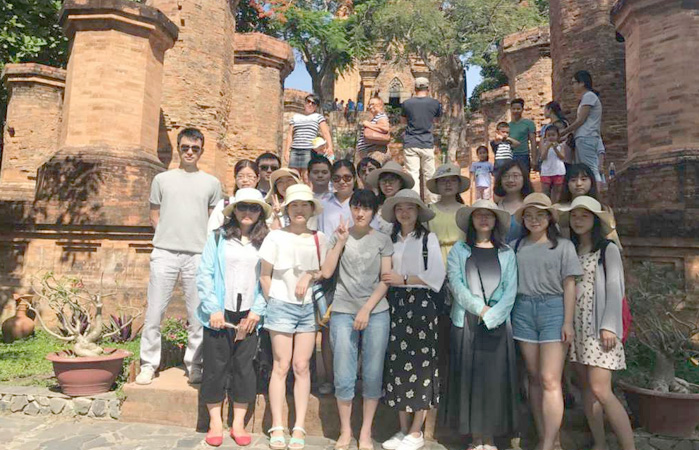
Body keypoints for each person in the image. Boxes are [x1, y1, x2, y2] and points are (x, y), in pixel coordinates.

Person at [137, 127, 223, 385]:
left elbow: (213, 220)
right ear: (178, 148)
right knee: (154, 312)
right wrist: (166, 236)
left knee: (197, 315)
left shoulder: (212, 183)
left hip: (197, 254)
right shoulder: (162, 179)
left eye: (195, 148)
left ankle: (194, 365)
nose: (189, 152)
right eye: (185, 147)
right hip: (165, 252)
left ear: (202, 151)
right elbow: (154, 214)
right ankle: (148, 364)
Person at [558, 196, 635, 450]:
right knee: (587, 390)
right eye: (574, 215)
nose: (578, 220)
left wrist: (609, 325)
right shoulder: (570, 248)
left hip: (600, 328)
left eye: (585, 216)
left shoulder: (607, 249)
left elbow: (615, 288)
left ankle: (629, 447)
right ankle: (599, 443)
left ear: (595, 220)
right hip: (577, 328)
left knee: (602, 390)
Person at [196, 188, 271, 447]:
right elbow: (204, 274)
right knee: (215, 366)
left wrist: (257, 311)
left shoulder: (267, 241)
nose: (248, 212)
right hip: (220, 311)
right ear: (234, 210)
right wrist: (213, 308)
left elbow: (268, 278)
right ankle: (215, 422)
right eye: (242, 207)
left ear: (260, 212)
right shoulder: (218, 237)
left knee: (244, 367)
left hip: (249, 312)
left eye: (254, 208)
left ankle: (238, 423)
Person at [256, 184, 328, 450]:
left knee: (302, 366)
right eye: (294, 205)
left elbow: (324, 271)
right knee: (281, 365)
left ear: (311, 209)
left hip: (308, 308)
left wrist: (309, 275)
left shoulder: (320, 238)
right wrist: (274, 301)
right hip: (281, 305)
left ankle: (299, 426)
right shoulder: (275, 237)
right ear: (287, 209)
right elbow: (265, 275)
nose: (299, 210)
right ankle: (277, 425)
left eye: (304, 205)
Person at [443, 200, 518, 450]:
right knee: (470, 380)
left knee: (495, 381)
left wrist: (494, 316)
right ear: (471, 220)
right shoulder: (459, 250)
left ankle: (491, 438)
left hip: (498, 324)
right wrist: (481, 309)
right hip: (467, 322)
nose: (484, 219)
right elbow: (456, 284)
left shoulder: (507, 252)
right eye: (479, 215)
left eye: (489, 215)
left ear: (496, 221)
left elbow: (511, 289)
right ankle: (476, 438)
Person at [322, 189, 393, 450]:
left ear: (374, 211)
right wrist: (340, 242)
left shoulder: (383, 240)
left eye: (366, 208)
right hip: (343, 309)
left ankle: (365, 431)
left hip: (376, 312)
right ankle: (345, 430)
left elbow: (386, 279)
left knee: (373, 373)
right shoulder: (340, 235)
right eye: (356, 207)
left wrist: (366, 309)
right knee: (343, 372)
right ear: (350, 208)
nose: (360, 213)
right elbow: (327, 271)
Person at [511, 193, 583, 450]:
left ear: (550, 218)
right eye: (529, 216)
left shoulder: (563, 246)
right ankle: (546, 437)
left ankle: (550, 443)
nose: (534, 220)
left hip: (554, 309)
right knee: (533, 377)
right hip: (523, 310)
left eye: (540, 215)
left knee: (550, 378)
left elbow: (570, 284)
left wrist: (567, 321)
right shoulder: (515, 247)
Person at [380, 189, 445, 450]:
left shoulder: (428, 239)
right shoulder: (389, 240)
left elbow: (437, 276)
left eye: (410, 208)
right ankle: (403, 428)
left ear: (418, 212)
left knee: (422, 365)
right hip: (394, 304)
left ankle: (417, 431)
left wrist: (404, 279)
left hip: (421, 305)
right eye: (399, 208)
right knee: (396, 364)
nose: (404, 213)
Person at [557, 164, 621, 249]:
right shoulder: (558, 209)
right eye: (573, 180)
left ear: (591, 181)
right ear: (567, 183)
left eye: (583, 179)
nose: (578, 184)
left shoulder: (602, 209)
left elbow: (611, 236)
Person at [401, 77, 442, 202]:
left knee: (413, 175)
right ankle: (433, 203)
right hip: (427, 142)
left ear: (415, 88)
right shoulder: (435, 103)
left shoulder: (406, 103)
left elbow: (403, 122)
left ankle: (414, 202)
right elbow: (437, 121)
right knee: (429, 175)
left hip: (411, 142)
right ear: (428, 88)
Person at [561, 71, 605, 182]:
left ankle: (597, 190)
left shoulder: (589, 96)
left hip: (586, 136)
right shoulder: (587, 97)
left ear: (582, 83)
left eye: (574, 82)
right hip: (585, 136)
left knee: (590, 169)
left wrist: (564, 132)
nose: (573, 86)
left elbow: (581, 120)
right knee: (588, 168)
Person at [284, 94, 334, 181]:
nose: (310, 104)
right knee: (293, 177)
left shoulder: (318, 117)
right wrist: (287, 151)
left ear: (316, 106)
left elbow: (325, 133)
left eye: (313, 103)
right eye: (308, 101)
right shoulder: (295, 117)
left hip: (309, 150)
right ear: (305, 103)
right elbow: (290, 135)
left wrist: (330, 147)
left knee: (307, 177)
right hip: (295, 150)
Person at [208, 159, 260, 233]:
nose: (245, 180)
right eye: (240, 176)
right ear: (235, 178)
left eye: (250, 176)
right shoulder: (224, 204)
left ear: (258, 178)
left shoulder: (263, 204)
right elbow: (212, 231)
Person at [365, 161, 415, 234]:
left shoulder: (409, 204)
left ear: (401, 182)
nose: (387, 184)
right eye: (384, 181)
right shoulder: (373, 204)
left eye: (391, 180)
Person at [493, 160, 533, 243]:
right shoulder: (494, 208)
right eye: (505, 176)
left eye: (515, 176)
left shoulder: (532, 207)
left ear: (524, 178)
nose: (510, 180)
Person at [356, 96, 391, 164]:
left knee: (373, 169)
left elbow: (385, 128)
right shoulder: (376, 117)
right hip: (370, 151)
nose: (370, 107)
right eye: (369, 105)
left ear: (380, 105)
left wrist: (368, 124)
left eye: (373, 104)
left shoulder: (381, 116)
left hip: (375, 151)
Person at [508, 99, 537, 174]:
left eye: (518, 109)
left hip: (523, 155)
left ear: (522, 109)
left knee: (524, 178)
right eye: (514, 109)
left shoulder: (529, 123)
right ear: (511, 109)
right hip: (511, 156)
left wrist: (534, 159)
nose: (516, 111)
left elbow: (533, 141)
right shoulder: (508, 126)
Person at [539, 126, 566, 203]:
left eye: (553, 135)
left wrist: (555, 148)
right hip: (546, 171)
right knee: (545, 190)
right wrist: (547, 148)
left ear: (557, 136)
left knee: (557, 191)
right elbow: (543, 157)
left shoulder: (561, 145)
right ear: (546, 136)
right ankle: (545, 204)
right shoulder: (543, 145)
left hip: (558, 171)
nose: (551, 137)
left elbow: (562, 157)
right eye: (549, 135)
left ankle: (555, 205)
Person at [540, 102, 571, 167]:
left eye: (545, 110)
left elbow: (562, 138)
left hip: (560, 156)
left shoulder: (560, 124)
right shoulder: (547, 125)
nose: (544, 112)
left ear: (550, 110)